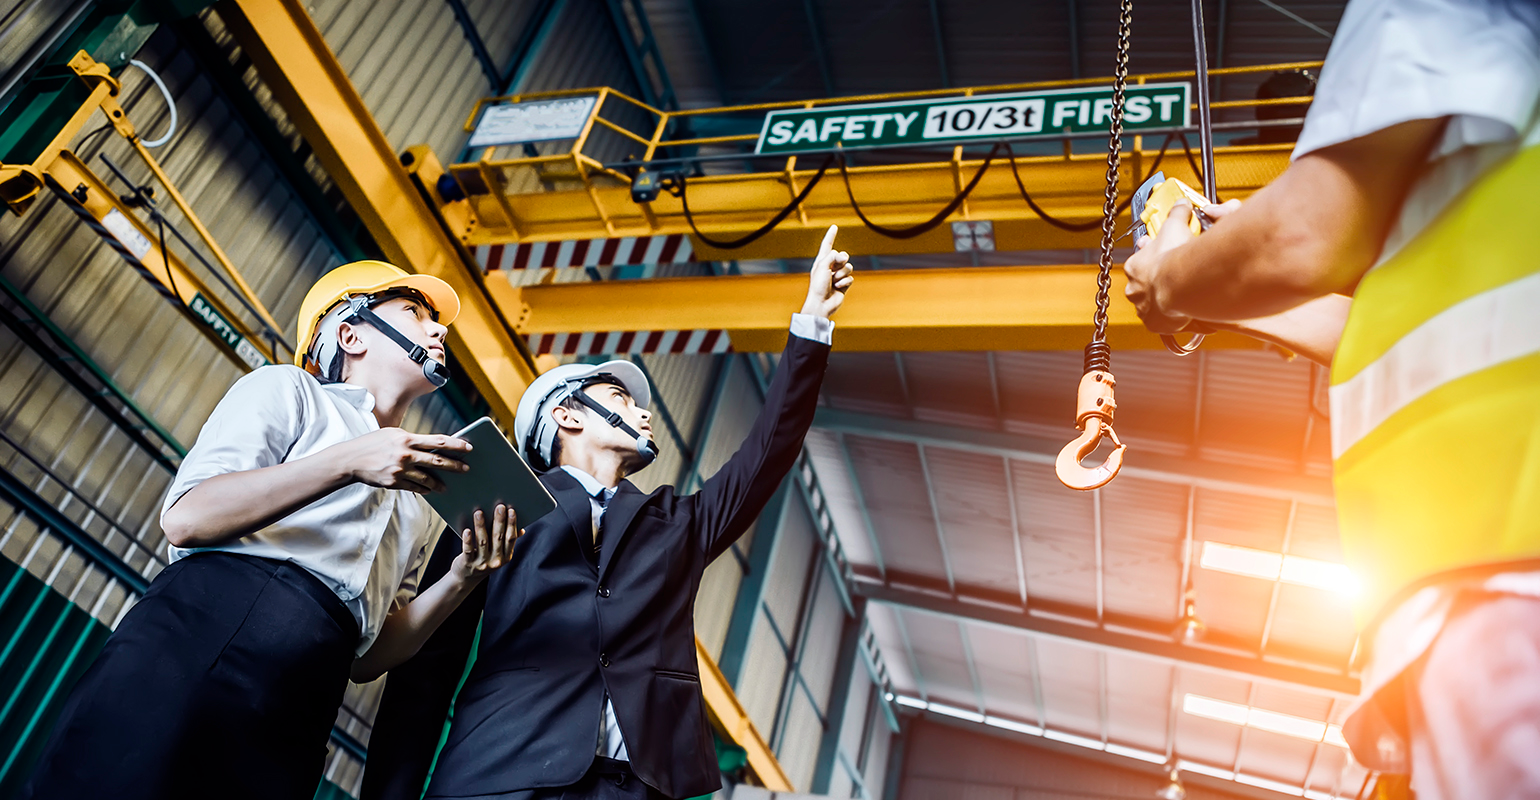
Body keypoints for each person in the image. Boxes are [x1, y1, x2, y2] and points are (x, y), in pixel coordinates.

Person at [1121, 1, 1540, 797]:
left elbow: (1304, 236)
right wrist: (1222, 288)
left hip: (1502, 553)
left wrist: (1171, 277)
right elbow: (1379, 324)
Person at [362, 226, 855, 800]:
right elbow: (425, 669)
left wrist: (813, 322)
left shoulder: (679, 524)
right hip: (501, 777)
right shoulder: (496, 504)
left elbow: (770, 450)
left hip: (639, 787)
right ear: (567, 417)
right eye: (622, 400)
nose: (645, 415)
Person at [22, 260, 518, 800]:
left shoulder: (421, 504)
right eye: (414, 313)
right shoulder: (289, 390)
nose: (438, 329)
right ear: (350, 335)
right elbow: (187, 517)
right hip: (196, 650)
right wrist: (349, 460)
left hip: (305, 702)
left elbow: (368, 658)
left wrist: (462, 578)